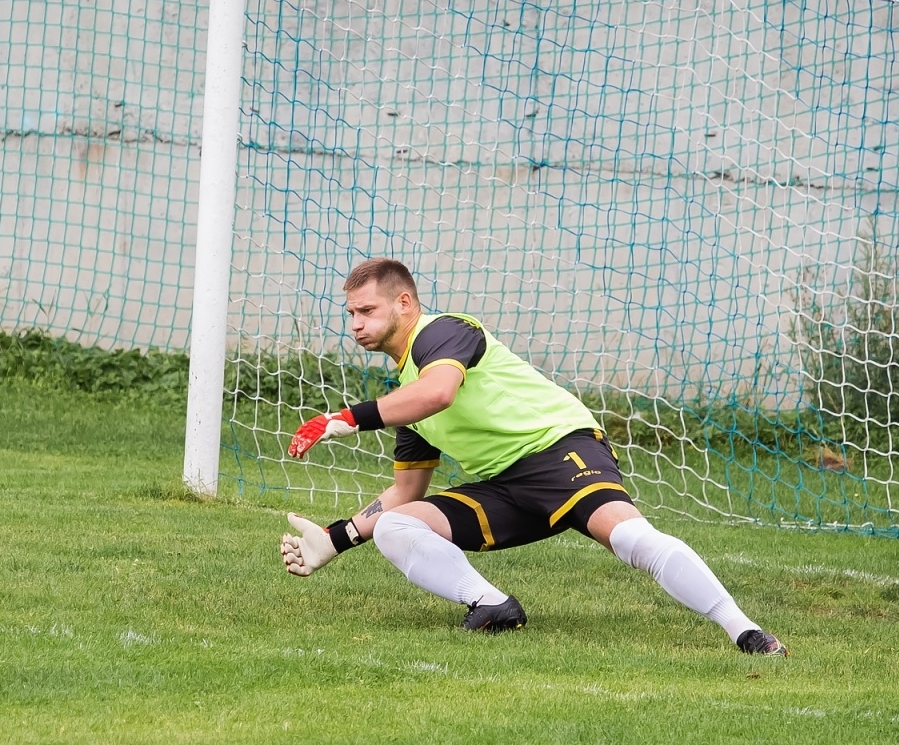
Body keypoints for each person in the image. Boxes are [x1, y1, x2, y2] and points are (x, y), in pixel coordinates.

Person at [278, 257, 786, 654]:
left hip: (558, 451)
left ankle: (745, 631)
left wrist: (343, 418)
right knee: (396, 526)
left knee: (630, 538)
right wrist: (335, 538)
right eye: (350, 314)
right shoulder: (406, 394)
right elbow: (406, 493)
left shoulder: (444, 332)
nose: (356, 324)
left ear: (405, 303)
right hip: (504, 489)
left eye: (367, 310)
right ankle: (494, 606)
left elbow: (440, 393)